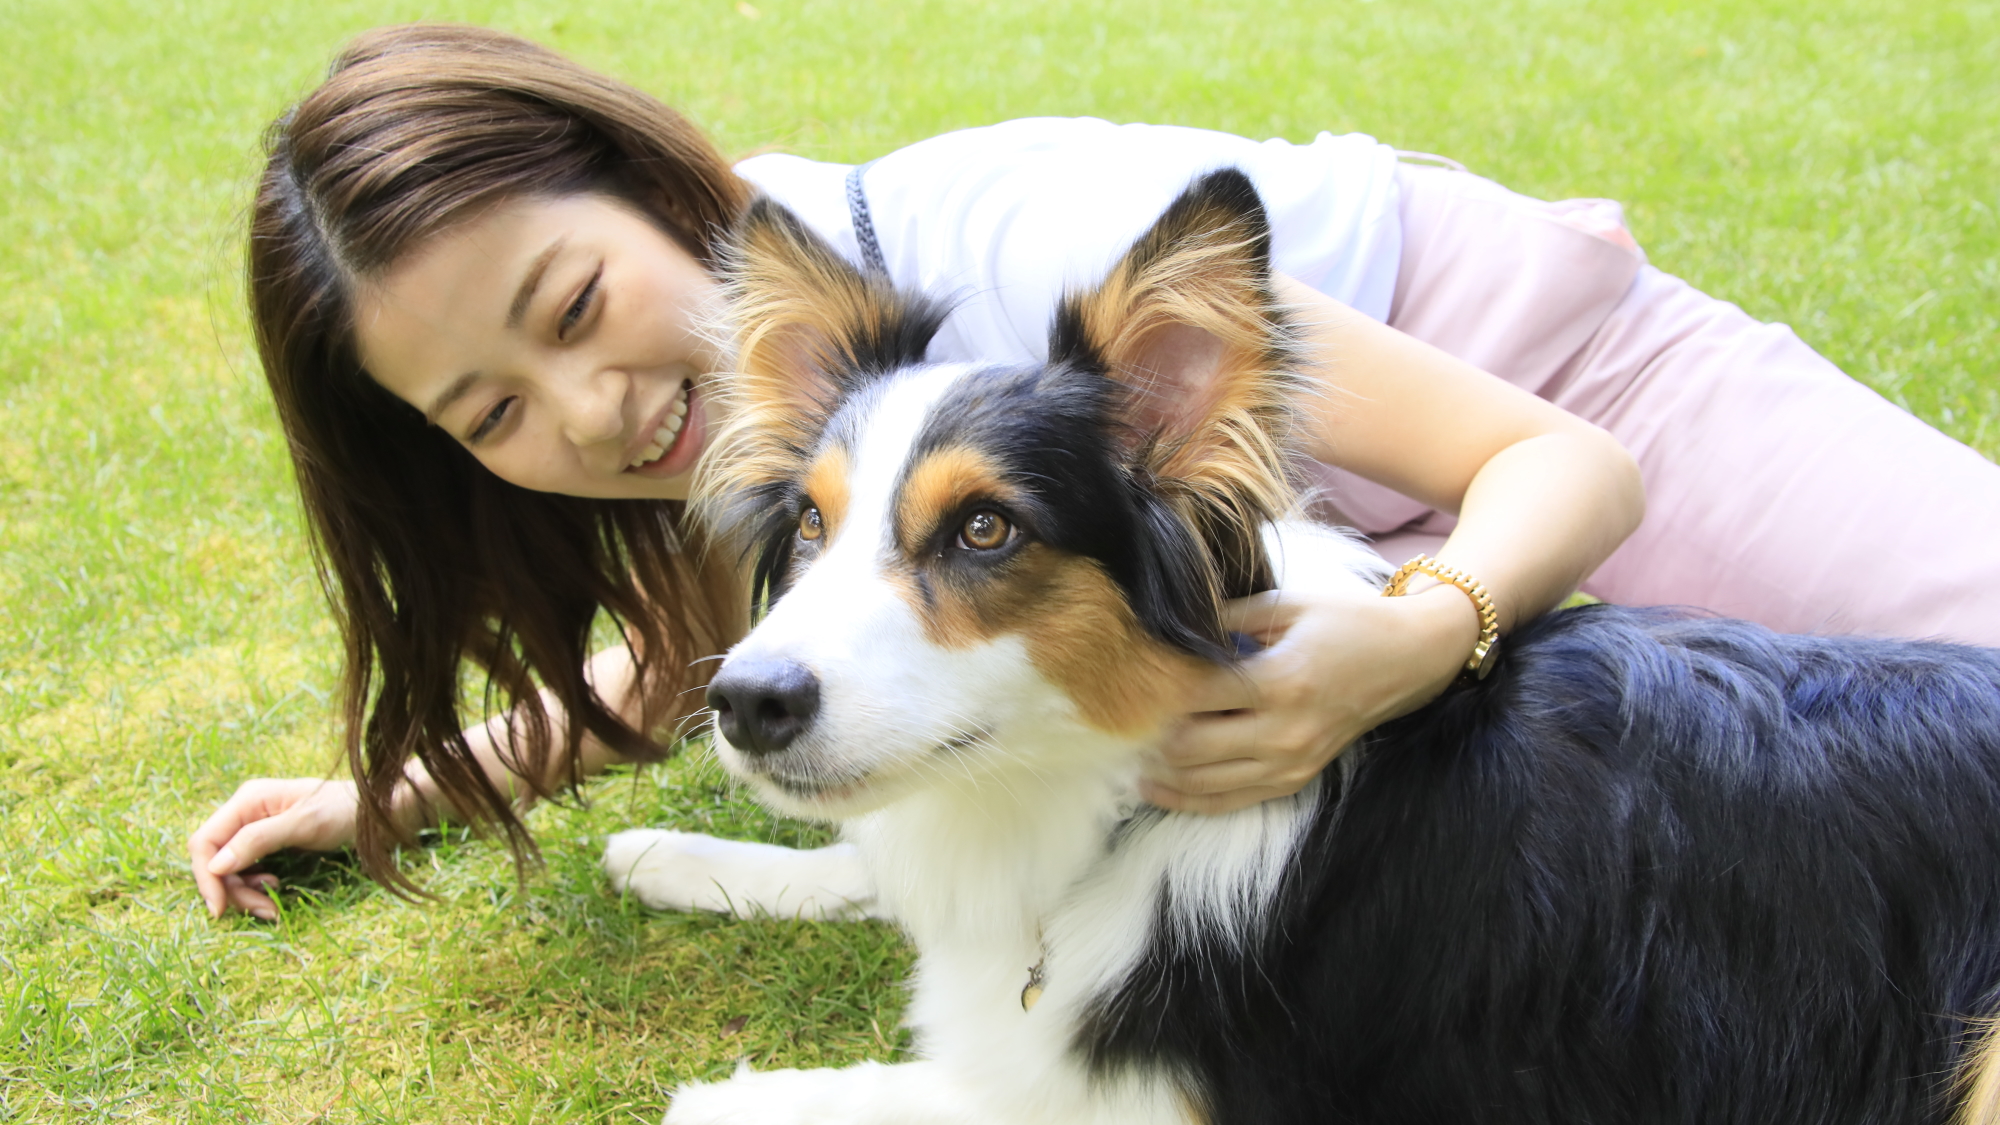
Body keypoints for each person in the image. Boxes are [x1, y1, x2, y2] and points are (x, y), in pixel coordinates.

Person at [190, 23, 2000, 921]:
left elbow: (1563, 462)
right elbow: (777, 648)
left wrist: (1404, 640)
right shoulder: (776, 403)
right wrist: (424, 781)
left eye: (572, 303)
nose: (580, 410)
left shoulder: (984, 245)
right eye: (488, 412)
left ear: (669, 183)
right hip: (1299, 546)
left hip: (1540, 391)